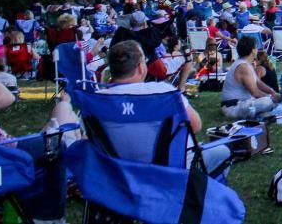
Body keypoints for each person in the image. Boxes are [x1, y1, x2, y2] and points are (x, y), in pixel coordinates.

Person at [98, 40, 232, 173]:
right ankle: (201, 193)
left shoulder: (96, 100)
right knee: (222, 152)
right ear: (140, 67)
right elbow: (195, 125)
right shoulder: (163, 92)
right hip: (168, 171)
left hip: (120, 175)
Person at [221, 35, 278, 120]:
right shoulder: (244, 67)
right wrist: (271, 97)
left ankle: (260, 112)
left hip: (240, 103)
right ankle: (260, 112)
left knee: (271, 100)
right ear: (252, 51)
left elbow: (258, 82)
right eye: (255, 47)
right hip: (233, 107)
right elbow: (255, 92)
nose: (257, 50)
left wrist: (272, 92)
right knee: (268, 102)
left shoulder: (244, 64)